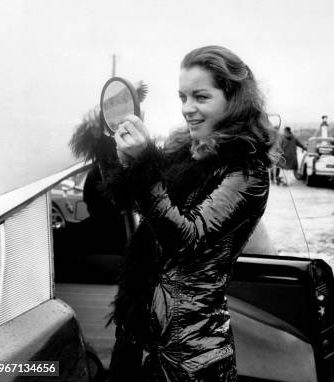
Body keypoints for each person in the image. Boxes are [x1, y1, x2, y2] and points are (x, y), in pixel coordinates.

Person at [70, 45, 274, 381]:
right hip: (137, 342)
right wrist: (109, 142)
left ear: (233, 98)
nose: (187, 109)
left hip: (188, 357)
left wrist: (143, 163)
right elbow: (129, 199)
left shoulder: (245, 168)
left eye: (200, 97)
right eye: (182, 97)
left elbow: (188, 240)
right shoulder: (185, 153)